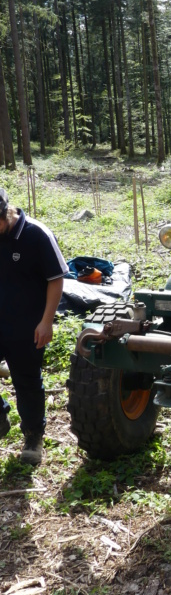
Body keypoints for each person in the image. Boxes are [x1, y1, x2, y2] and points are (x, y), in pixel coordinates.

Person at [0, 187, 68, 465]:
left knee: (27, 381)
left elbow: (56, 278)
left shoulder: (37, 234)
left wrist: (46, 321)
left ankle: (32, 436)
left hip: (27, 324)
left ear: (4, 214)